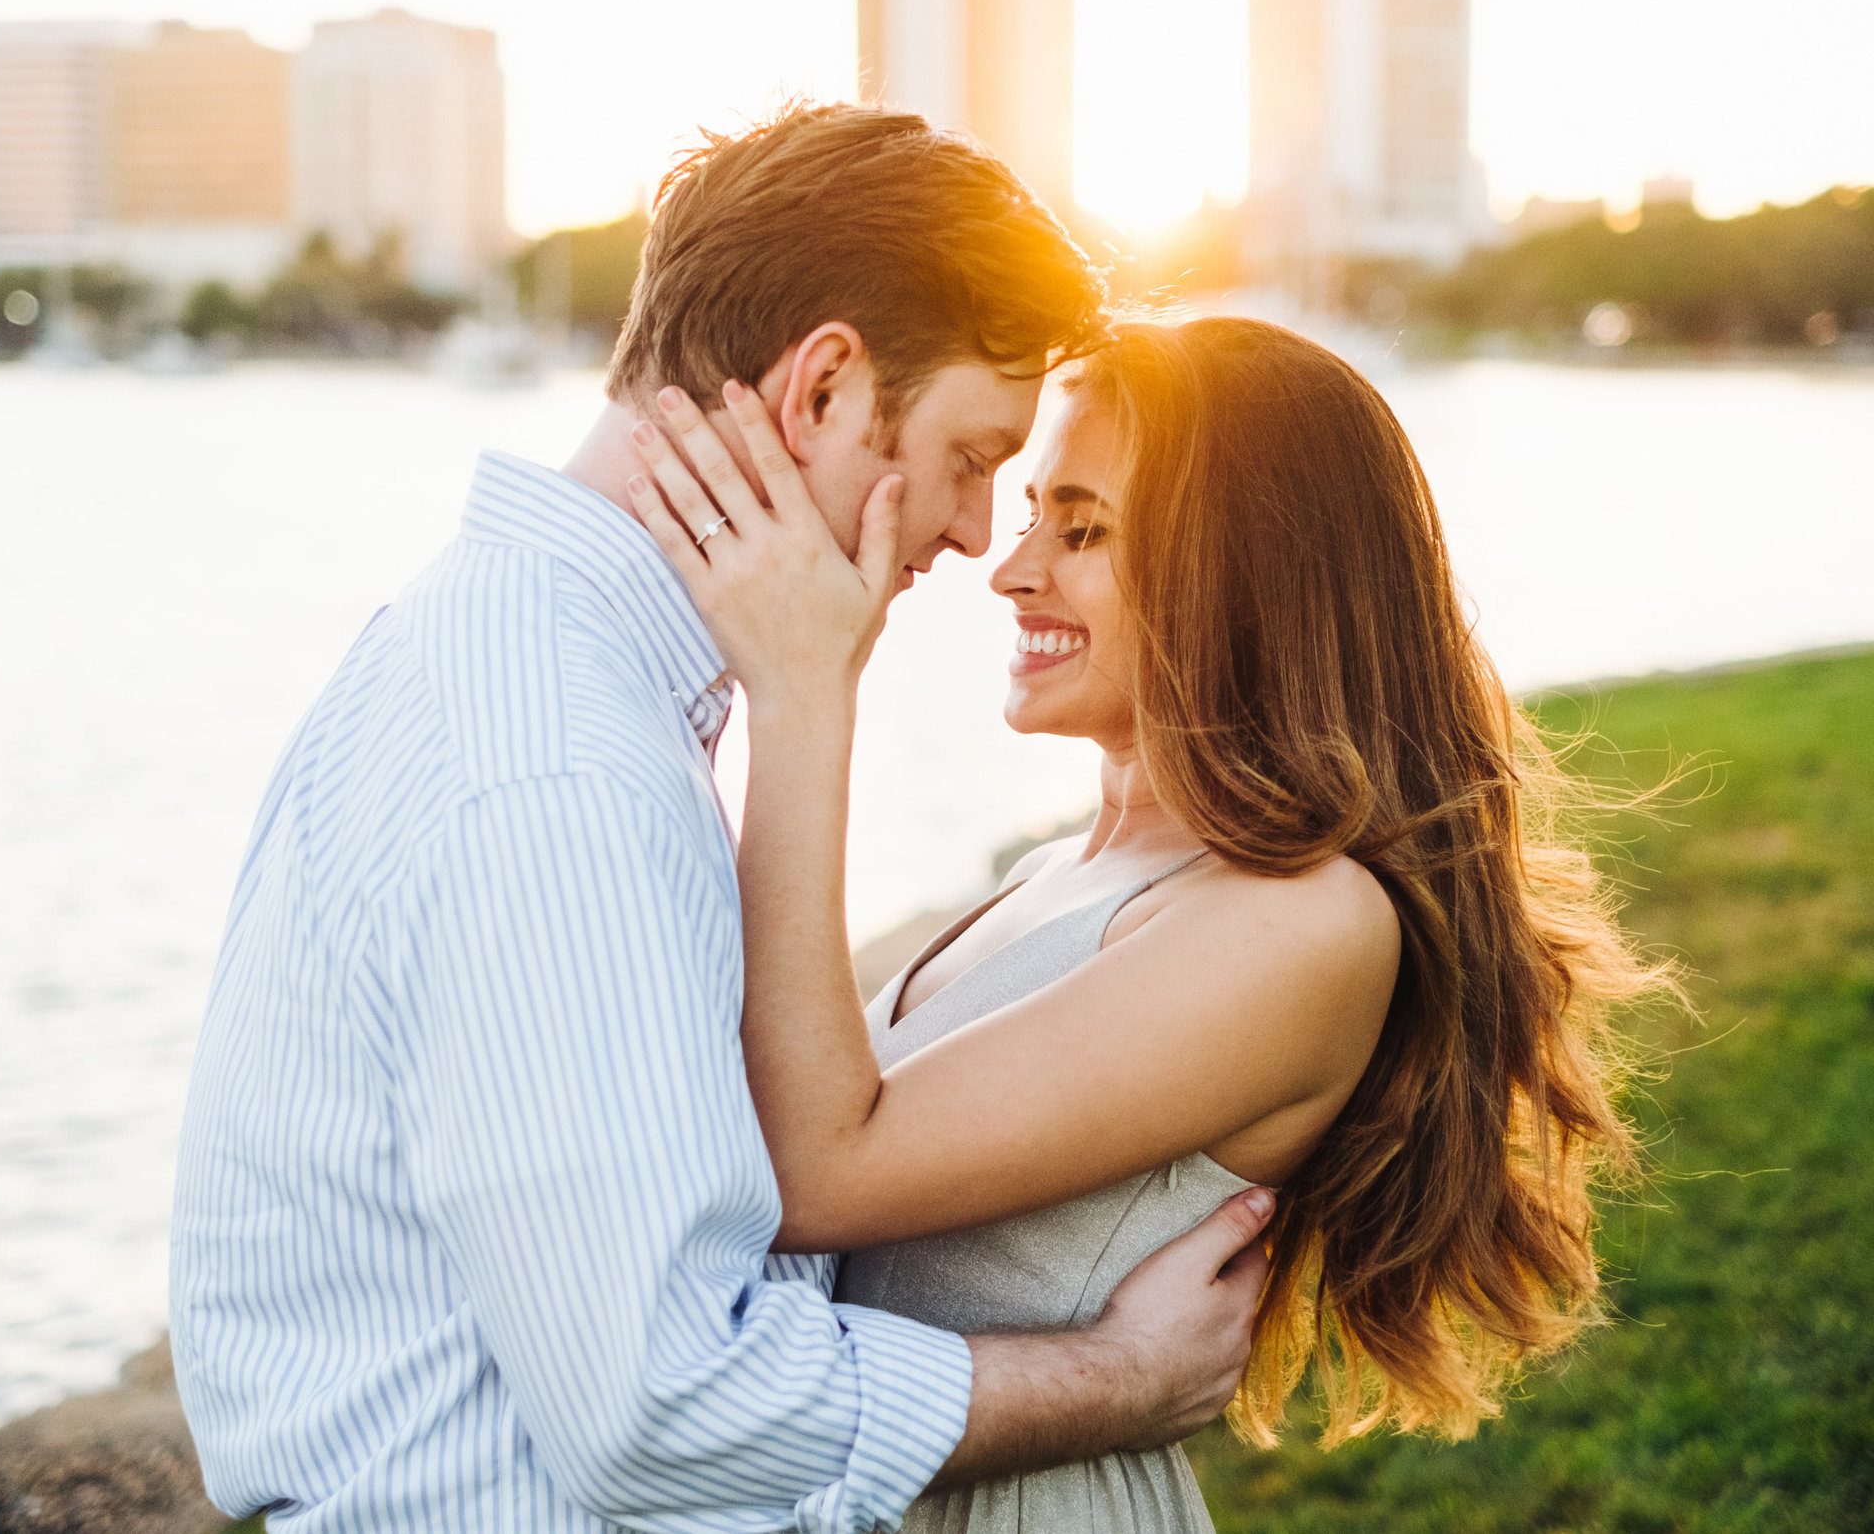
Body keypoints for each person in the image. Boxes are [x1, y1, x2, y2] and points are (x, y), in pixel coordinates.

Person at [167, 107, 1276, 1534]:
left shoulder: (517, 664)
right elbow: (662, 1401)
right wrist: (1118, 1377)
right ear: (823, 388)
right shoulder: (559, 768)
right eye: (969, 455)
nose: (968, 530)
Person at [623, 314, 1679, 1532]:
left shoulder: (1301, 923)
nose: (1011, 567)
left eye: (1081, 528)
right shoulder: (1056, 871)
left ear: (1244, 570)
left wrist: (802, 695)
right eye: (1027, 511)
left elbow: (814, 1168)